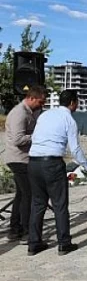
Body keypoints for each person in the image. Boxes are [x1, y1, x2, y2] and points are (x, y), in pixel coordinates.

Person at [27, 89, 87, 256]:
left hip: (34, 162)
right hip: (52, 163)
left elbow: (35, 138)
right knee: (59, 204)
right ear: (72, 103)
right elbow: (75, 149)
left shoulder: (44, 115)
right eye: (77, 102)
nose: (77, 105)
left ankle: (33, 243)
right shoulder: (69, 120)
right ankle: (64, 243)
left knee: (37, 204)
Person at [3, 85, 47, 242]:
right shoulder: (19, 114)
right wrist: (37, 136)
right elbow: (18, 139)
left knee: (21, 195)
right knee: (29, 194)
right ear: (31, 98)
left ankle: (15, 229)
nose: (41, 106)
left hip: (22, 158)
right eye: (40, 102)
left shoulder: (29, 112)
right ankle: (28, 230)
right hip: (19, 158)